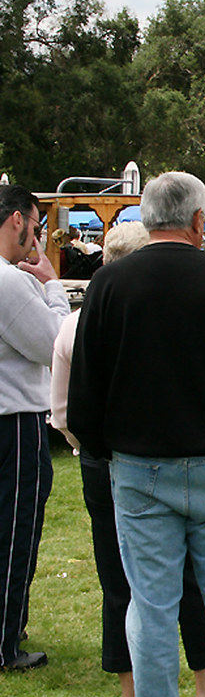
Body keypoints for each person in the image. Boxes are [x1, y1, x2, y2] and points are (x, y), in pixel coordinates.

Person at [68, 171, 205, 697]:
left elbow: (85, 389)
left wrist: (104, 449)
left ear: (145, 218)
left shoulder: (110, 286)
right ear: (198, 220)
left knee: (151, 609)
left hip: (139, 469)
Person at [50, 221, 205, 697]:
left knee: (118, 580)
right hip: (162, 454)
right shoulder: (165, 312)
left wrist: (90, 449)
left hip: (104, 459)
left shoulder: (75, 324)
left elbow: (61, 411)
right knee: (187, 574)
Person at [0, 185, 69, 671]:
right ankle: (5, 641)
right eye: (37, 225)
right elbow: (54, 344)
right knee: (14, 533)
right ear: (20, 221)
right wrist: (52, 286)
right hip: (14, 424)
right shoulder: (10, 281)